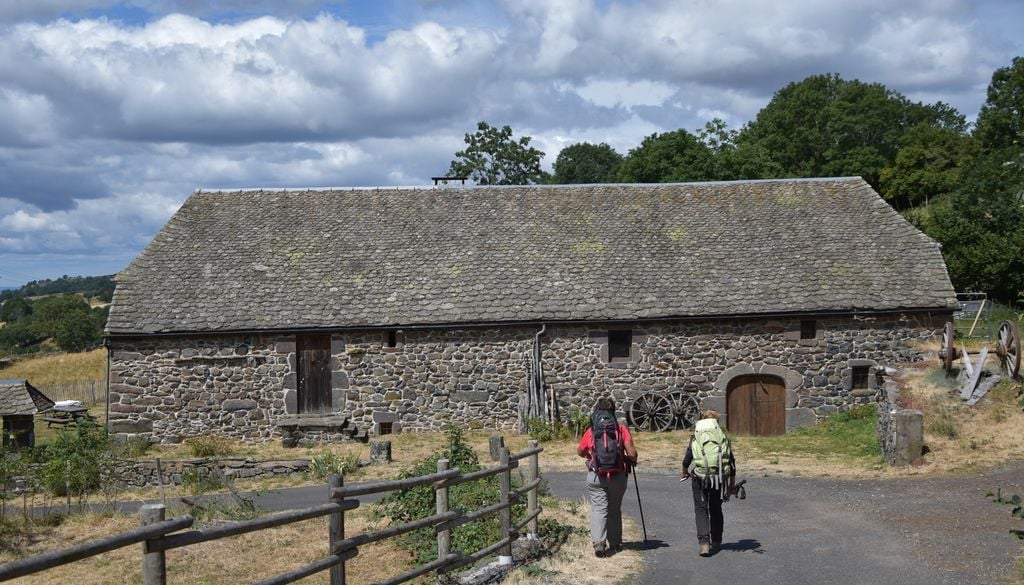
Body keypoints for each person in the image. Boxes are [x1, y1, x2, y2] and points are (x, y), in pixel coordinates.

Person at [577, 396, 638, 558]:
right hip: (618, 476)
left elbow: (580, 451)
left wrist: (590, 456)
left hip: (596, 476)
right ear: (613, 411)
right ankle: (616, 543)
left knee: (598, 508)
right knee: (614, 509)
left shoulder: (592, 430)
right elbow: (632, 453)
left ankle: (599, 543)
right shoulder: (621, 429)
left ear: (597, 409)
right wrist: (628, 459)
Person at [680, 409, 736, 557]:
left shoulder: (696, 437)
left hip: (700, 477)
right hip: (718, 478)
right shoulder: (722, 437)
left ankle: (704, 543)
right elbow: (731, 463)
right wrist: (731, 484)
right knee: (716, 508)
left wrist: (684, 471)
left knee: (701, 509)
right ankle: (716, 541)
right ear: (716, 423)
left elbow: (688, 458)